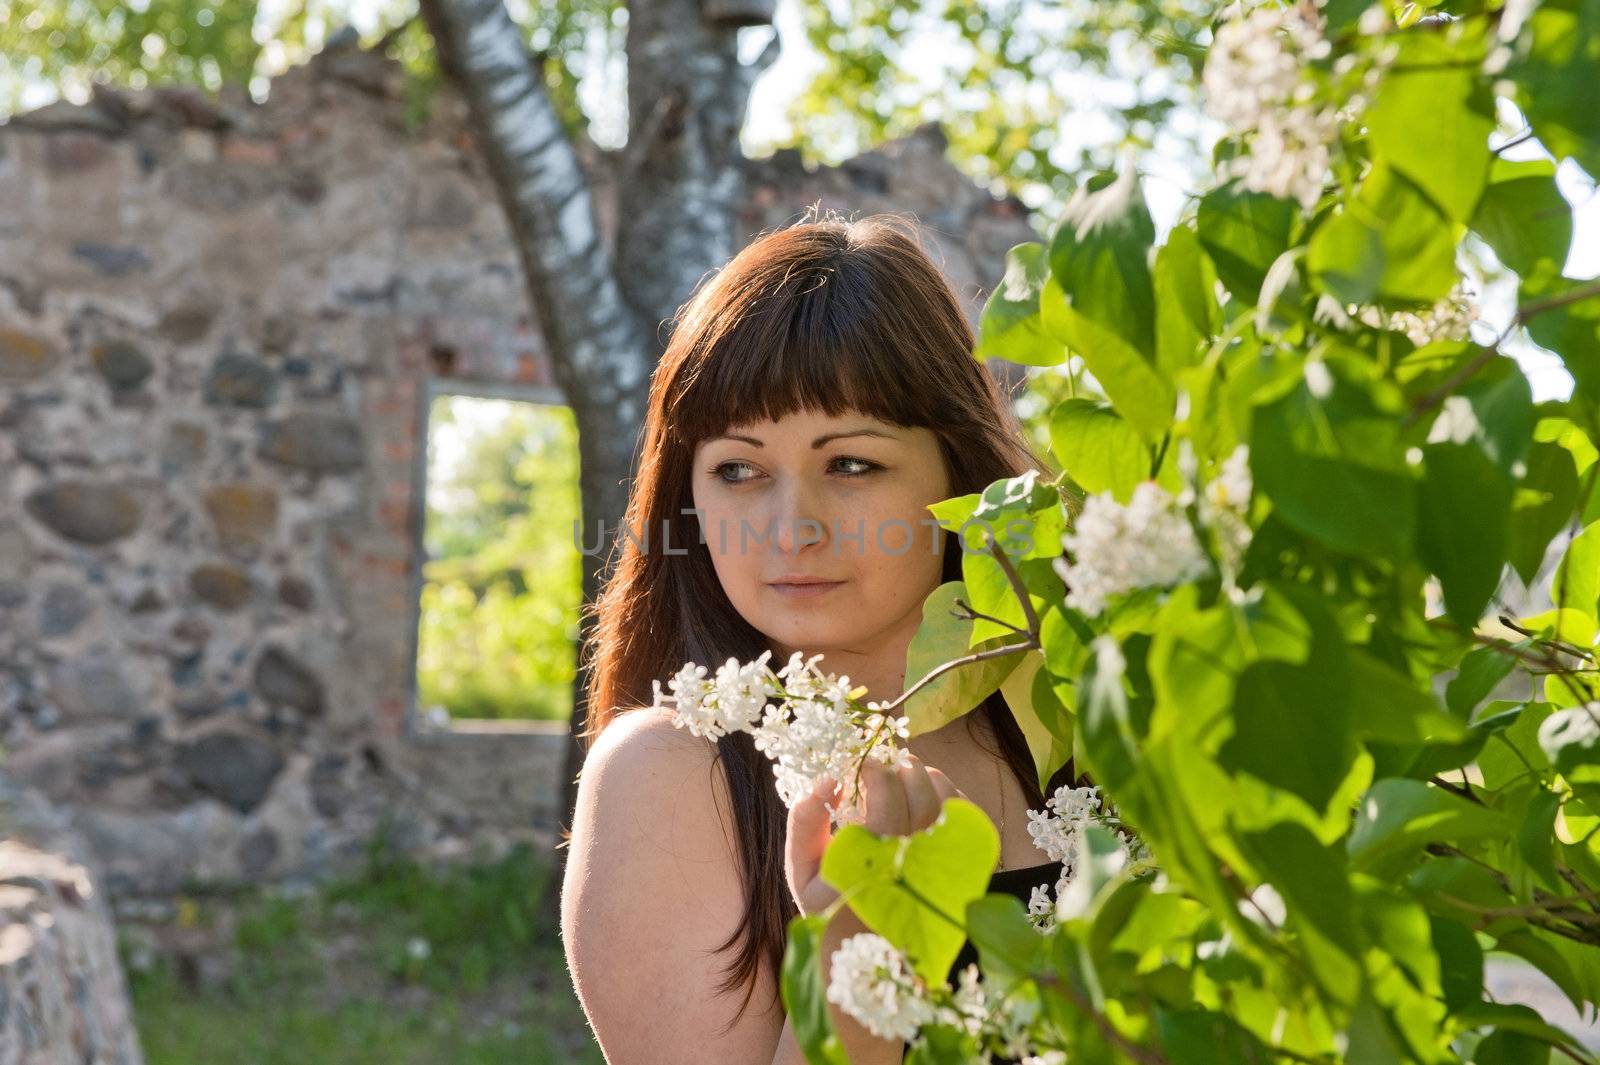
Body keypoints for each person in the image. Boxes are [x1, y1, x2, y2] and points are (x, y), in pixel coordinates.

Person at [560, 209, 1089, 1064]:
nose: (789, 528)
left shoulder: (1084, 713)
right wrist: (867, 940)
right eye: (739, 469)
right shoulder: (672, 775)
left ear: (956, 470)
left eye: (851, 464)